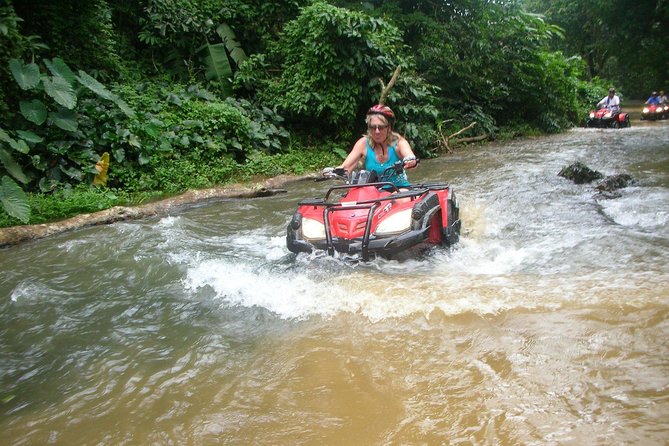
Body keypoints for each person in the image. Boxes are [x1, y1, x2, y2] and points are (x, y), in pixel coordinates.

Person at [329, 104, 417, 188]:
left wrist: (411, 160)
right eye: (373, 127)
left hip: (399, 190)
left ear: (389, 127)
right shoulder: (363, 143)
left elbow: (409, 155)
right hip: (373, 192)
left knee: (400, 199)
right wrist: (335, 171)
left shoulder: (399, 143)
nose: (377, 131)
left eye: (381, 127)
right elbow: (346, 167)